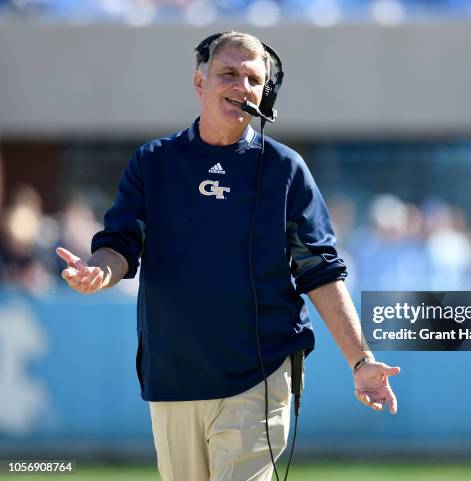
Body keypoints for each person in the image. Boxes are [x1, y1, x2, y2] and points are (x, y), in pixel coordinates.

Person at [56, 31, 400, 481]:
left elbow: (320, 270)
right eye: (229, 75)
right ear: (200, 83)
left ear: (266, 94)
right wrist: (99, 272)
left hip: (256, 375)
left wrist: (361, 359)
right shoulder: (153, 162)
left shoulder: (284, 169)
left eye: (254, 80)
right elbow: (121, 243)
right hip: (173, 375)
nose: (242, 87)